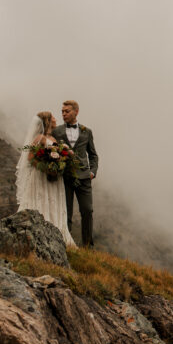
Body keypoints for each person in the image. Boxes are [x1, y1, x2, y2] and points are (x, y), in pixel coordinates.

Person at [16, 111, 76, 246]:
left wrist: (61, 162)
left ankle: (57, 231)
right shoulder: (39, 138)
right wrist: (47, 168)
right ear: (48, 121)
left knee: (53, 201)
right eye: (53, 117)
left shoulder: (54, 140)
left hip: (54, 178)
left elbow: (61, 155)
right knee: (42, 199)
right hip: (41, 177)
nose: (56, 119)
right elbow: (30, 158)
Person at [52, 100, 99, 247]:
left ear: (76, 112)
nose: (63, 114)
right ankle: (66, 243)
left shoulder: (87, 131)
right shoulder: (56, 131)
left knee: (87, 211)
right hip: (65, 177)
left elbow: (93, 155)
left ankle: (87, 246)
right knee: (67, 213)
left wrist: (92, 172)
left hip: (85, 178)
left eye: (67, 111)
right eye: (62, 111)